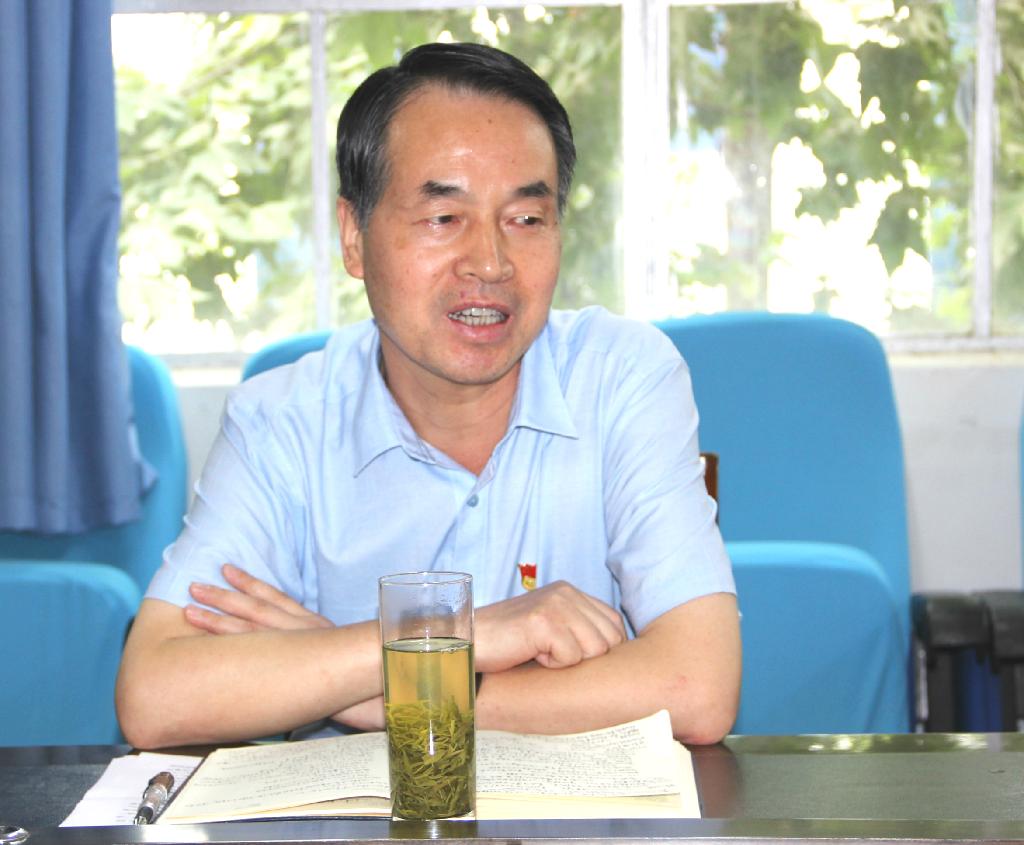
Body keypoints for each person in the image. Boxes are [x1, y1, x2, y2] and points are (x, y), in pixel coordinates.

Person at [115, 42, 741, 750]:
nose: (491, 264)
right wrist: (465, 635)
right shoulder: (281, 421)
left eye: (526, 219)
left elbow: (697, 688)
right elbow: (156, 694)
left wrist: (386, 686)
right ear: (354, 237)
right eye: (444, 218)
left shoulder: (623, 377)